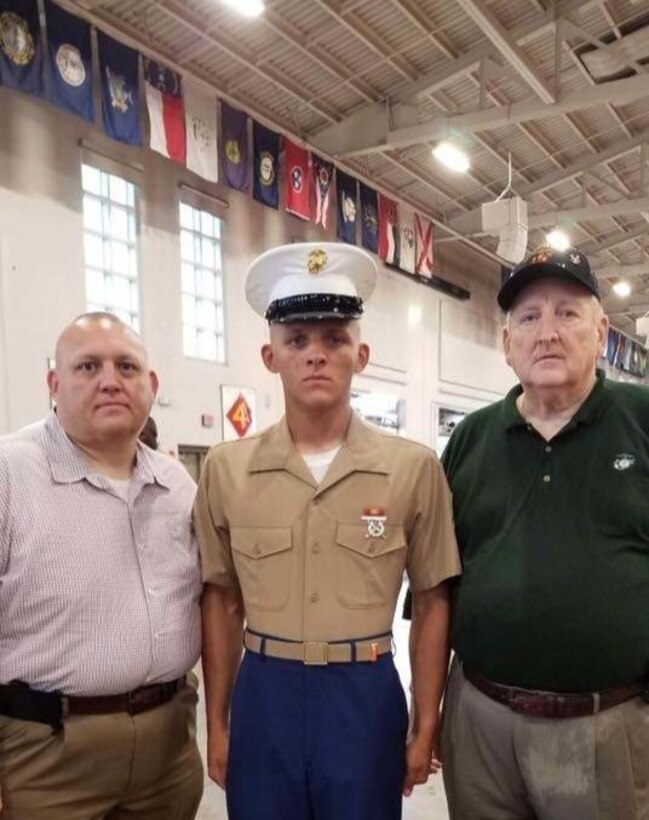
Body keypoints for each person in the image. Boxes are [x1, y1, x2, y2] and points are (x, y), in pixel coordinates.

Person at [193, 242, 461, 820]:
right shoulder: (227, 469)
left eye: (334, 339)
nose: (316, 355)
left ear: (360, 354)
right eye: (297, 340)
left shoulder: (413, 469)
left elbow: (435, 597)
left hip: (362, 697)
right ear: (271, 356)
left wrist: (426, 722)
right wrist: (218, 724)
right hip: (266, 693)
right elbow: (220, 598)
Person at [414, 246, 648, 820]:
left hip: (605, 725)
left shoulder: (642, 420)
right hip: (481, 725)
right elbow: (437, 587)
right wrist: (430, 716)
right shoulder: (470, 438)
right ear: (506, 342)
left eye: (567, 313)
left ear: (601, 332)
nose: (547, 333)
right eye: (529, 317)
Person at [0, 312, 204, 819]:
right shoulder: (10, 475)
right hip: (46, 759)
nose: (110, 381)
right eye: (88, 366)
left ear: (150, 385)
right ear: (54, 383)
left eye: (127, 367)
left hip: (168, 753)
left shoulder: (178, 486)